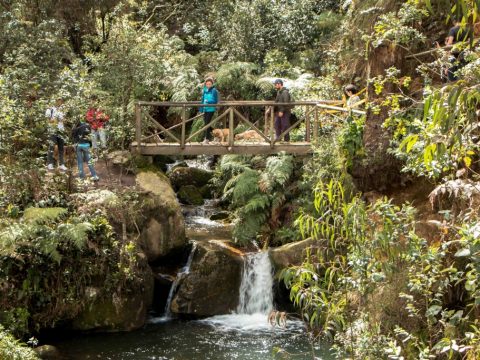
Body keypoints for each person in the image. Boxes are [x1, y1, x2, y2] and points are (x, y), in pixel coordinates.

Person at [46, 98, 67, 171]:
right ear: (55, 101)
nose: (60, 102)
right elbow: (49, 120)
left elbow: (64, 120)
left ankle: (61, 164)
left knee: (61, 148)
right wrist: (56, 119)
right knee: (51, 146)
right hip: (53, 130)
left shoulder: (62, 109)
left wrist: (63, 120)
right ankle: (49, 164)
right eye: (58, 100)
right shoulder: (50, 109)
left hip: (61, 130)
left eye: (61, 100)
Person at [199, 78, 219, 144]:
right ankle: (217, 135)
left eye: (210, 84)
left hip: (211, 109)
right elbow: (202, 100)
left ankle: (207, 139)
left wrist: (208, 101)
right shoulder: (204, 90)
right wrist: (201, 109)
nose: (208, 85)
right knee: (206, 124)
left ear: (212, 84)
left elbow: (215, 101)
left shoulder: (214, 90)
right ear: (205, 84)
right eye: (207, 84)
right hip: (205, 109)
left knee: (207, 124)